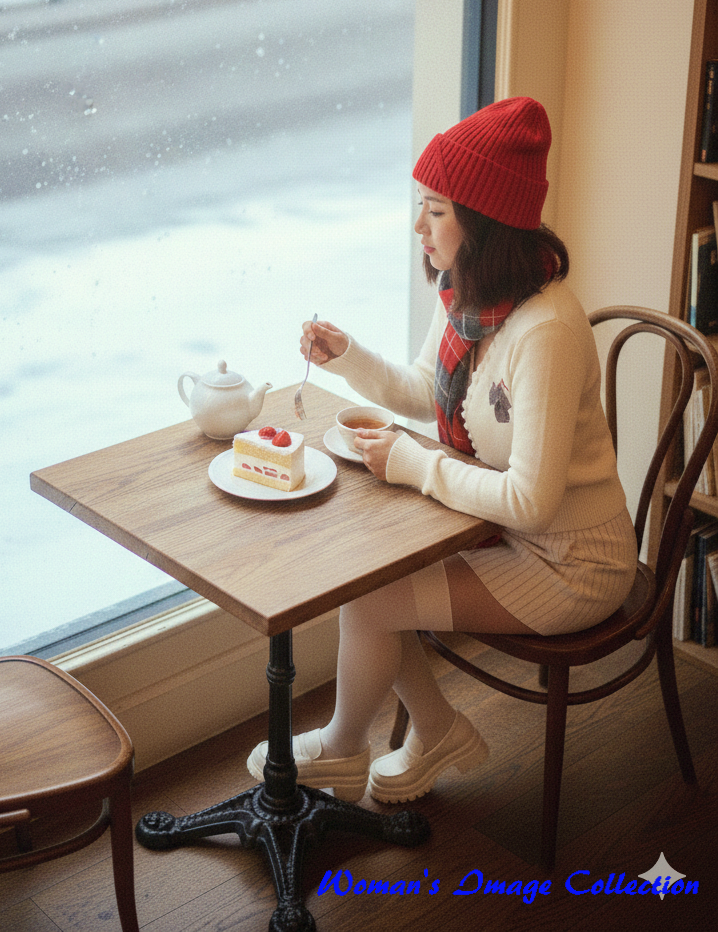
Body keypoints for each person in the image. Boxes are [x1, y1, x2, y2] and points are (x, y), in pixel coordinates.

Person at [247, 96, 638, 804]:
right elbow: (427, 389)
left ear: (483, 222)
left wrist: (416, 465)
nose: (417, 227)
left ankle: (344, 751)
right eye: (419, 206)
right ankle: (435, 730)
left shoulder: (544, 328)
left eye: (435, 211)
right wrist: (349, 357)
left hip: (573, 561)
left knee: (369, 601)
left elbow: (532, 498)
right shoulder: (466, 294)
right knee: (367, 583)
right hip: (506, 531)